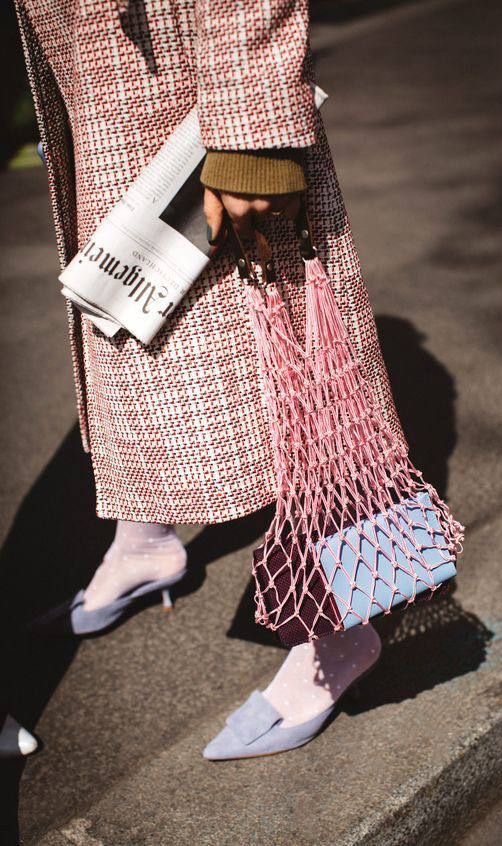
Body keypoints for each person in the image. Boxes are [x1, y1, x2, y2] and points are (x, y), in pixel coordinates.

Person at [15, 0, 407, 759]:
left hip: (200, 111)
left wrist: (253, 130)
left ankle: (343, 628)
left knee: (293, 379)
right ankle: (144, 538)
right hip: (110, 101)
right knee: (138, 354)